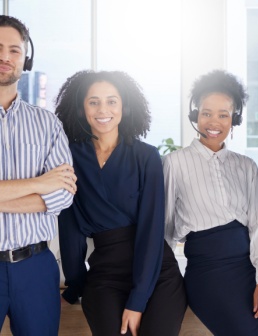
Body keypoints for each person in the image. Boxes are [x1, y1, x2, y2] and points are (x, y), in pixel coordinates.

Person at [164, 69, 258, 336]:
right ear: (195, 115)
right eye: (206, 113)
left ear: (234, 119)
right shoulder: (174, 163)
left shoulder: (247, 166)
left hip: (253, 265)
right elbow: (165, 230)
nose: (213, 122)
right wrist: (163, 282)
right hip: (210, 274)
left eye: (223, 114)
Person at [55, 70, 187, 336]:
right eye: (93, 102)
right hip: (105, 275)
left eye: (112, 101)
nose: (103, 109)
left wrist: (138, 300)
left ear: (124, 107)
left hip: (157, 272)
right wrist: (76, 285)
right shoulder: (68, 156)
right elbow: (69, 229)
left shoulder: (146, 156)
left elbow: (151, 230)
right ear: (81, 108)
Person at [0, 15, 77, 335]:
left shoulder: (47, 124)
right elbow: (49, 188)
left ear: (25, 58)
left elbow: (62, 196)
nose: (5, 56)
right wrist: (39, 183)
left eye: (14, 50)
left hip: (35, 267)